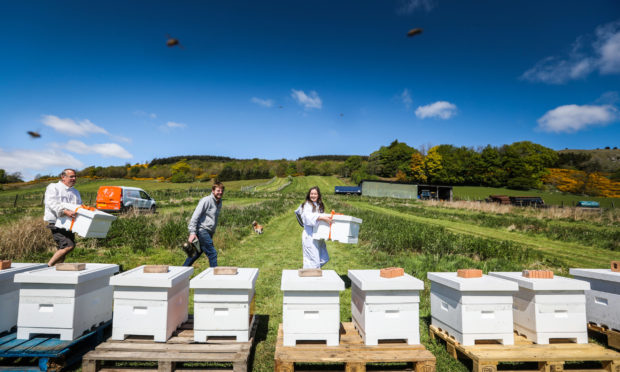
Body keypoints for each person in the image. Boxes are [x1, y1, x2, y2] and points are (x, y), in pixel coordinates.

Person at [44, 168, 81, 267]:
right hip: (56, 222)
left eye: (75, 176)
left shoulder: (75, 192)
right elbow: (50, 202)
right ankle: (49, 265)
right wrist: (64, 211)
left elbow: (79, 207)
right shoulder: (53, 187)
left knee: (65, 247)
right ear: (63, 177)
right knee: (68, 245)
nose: (74, 178)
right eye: (71, 176)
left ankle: (57, 268)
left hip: (69, 224)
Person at [184, 182, 225, 267]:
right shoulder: (206, 200)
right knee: (212, 253)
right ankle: (214, 276)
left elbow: (213, 219)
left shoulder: (219, 202)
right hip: (202, 230)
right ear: (213, 191)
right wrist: (192, 232)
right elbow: (195, 216)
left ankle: (181, 272)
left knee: (196, 253)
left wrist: (211, 233)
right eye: (218, 190)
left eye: (222, 191)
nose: (220, 192)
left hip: (208, 232)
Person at [298, 186, 332, 269]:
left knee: (324, 258)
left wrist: (327, 234)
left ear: (318, 195)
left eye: (315, 194)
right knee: (313, 260)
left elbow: (323, 220)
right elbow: (307, 217)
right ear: (309, 195)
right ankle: (310, 276)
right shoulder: (307, 205)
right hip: (310, 236)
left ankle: (313, 270)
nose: (313, 195)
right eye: (311, 194)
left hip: (318, 235)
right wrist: (320, 217)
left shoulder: (319, 205)